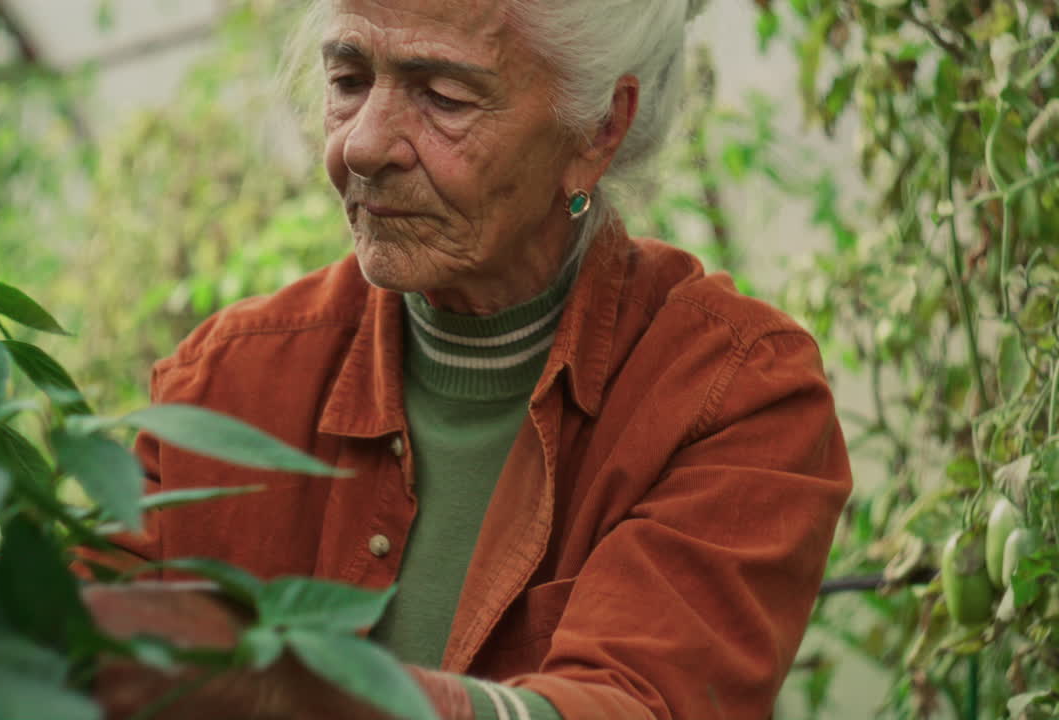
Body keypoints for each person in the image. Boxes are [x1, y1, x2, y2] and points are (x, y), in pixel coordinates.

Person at [82, 0, 853, 718]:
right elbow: (60, 653)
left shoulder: (731, 393)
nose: (362, 143)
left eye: (444, 96)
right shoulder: (227, 384)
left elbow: (631, 701)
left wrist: (295, 690)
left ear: (598, 131)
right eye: (348, 81)